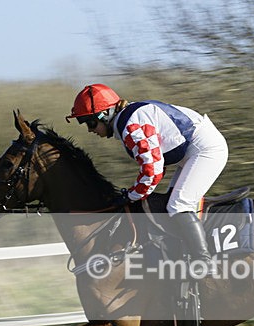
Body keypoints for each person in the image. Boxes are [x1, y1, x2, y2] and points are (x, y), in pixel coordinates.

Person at [66, 83, 228, 274]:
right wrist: (136, 191)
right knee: (171, 204)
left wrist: (132, 195)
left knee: (179, 205)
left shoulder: (131, 125)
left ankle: (204, 262)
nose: (90, 130)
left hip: (205, 149)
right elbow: (155, 165)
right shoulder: (129, 119)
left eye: (90, 122)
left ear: (106, 115)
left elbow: (153, 170)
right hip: (193, 149)